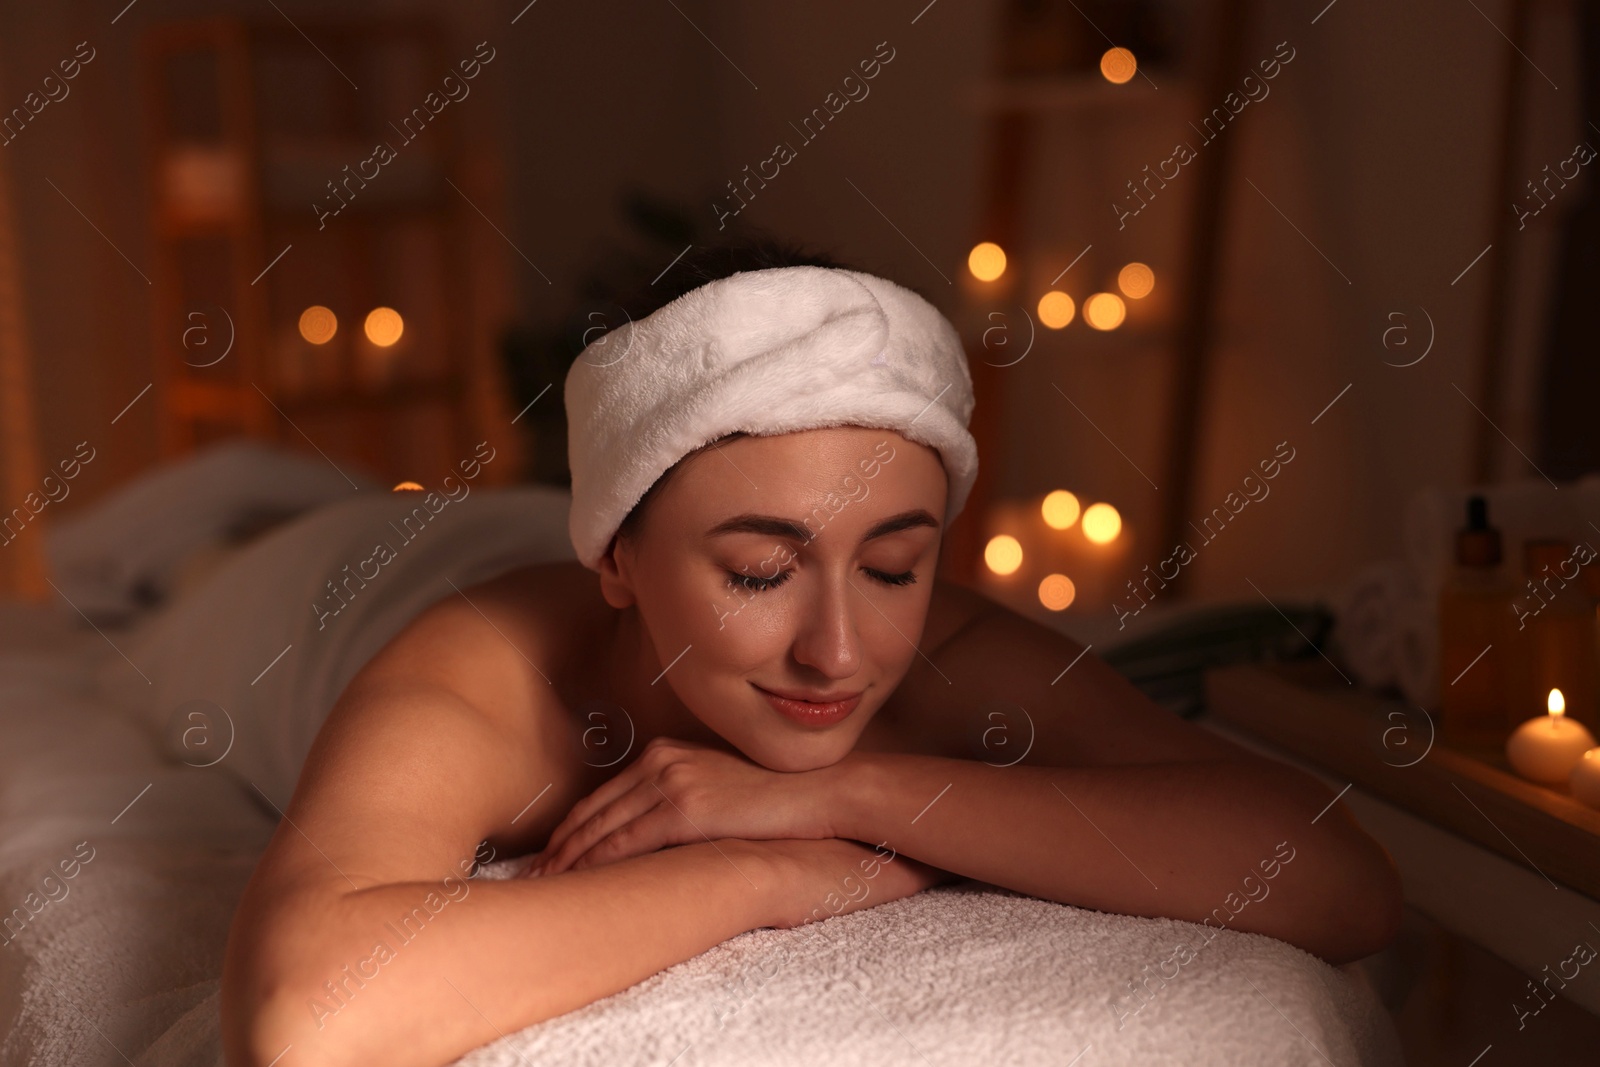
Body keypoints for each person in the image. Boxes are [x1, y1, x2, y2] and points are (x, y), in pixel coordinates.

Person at [220, 241, 1402, 1067]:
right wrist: (769, 876)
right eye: (757, 570)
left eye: (893, 565)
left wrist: (850, 793)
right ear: (620, 560)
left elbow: (1336, 881)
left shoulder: (948, 659)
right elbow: (305, 1019)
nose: (839, 648)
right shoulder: (487, 671)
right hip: (322, 590)